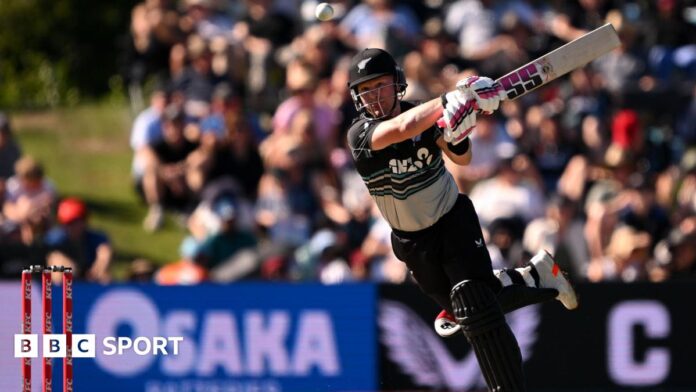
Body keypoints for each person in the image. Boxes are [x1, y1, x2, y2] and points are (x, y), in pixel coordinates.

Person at [345, 48, 578, 391]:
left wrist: (457, 130)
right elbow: (402, 127)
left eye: (380, 86)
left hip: (452, 218)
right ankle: (537, 276)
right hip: (411, 242)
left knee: (474, 303)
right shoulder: (361, 135)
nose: (374, 97)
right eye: (366, 90)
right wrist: (451, 98)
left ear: (397, 85)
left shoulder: (423, 118)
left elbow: (464, 158)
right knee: (473, 309)